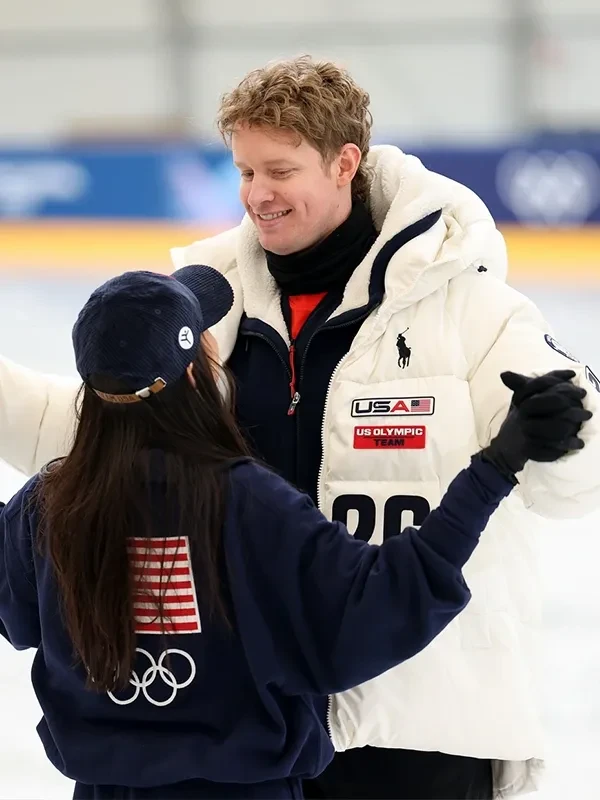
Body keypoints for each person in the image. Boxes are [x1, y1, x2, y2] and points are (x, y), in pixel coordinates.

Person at [0, 56, 600, 799]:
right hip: (255, 727)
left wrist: (567, 432)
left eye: (278, 171)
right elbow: (97, 438)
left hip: (413, 722)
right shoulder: (205, 302)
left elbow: (575, 484)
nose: (256, 195)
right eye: (245, 171)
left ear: (344, 163)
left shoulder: (470, 311)